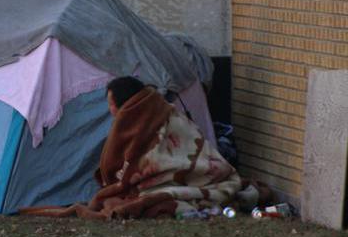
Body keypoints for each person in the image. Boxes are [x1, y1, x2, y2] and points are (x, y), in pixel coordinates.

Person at [21, 76, 248, 219]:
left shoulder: (156, 120)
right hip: (195, 180)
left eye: (111, 104)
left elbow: (184, 151)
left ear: (127, 104)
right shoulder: (155, 113)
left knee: (125, 201)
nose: (110, 110)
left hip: (197, 177)